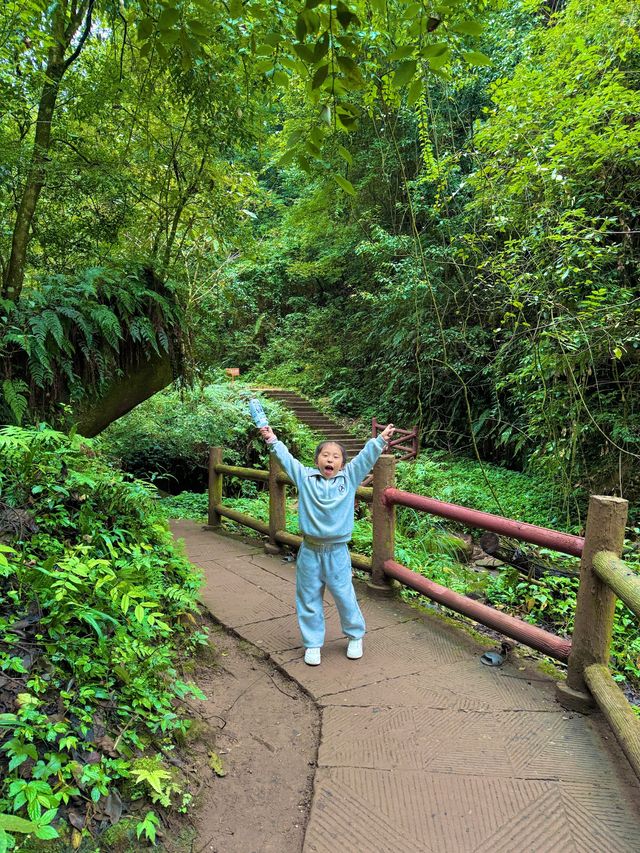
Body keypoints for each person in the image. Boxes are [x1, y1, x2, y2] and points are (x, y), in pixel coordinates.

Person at [259, 422, 395, 666]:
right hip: (310, 551)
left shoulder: (349, 478)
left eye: (335, 456)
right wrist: (272, 439)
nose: (330, 459)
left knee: (344, 596)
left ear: (342, 463)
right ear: (317, 460)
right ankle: (312, 643)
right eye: (325, 455)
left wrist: (380, 441)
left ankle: (355, 636)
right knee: (308, 597)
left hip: (337, 552)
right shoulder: (305, 478)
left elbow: (365, 459)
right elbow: (287, 460)